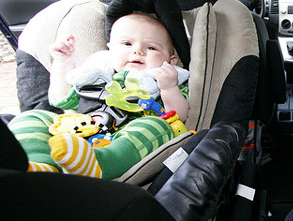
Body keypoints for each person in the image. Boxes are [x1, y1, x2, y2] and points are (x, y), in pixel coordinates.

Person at [8, 12, 190, 179]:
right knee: (33, 117)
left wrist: (169, 87)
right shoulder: (96, 76)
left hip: (122, 141)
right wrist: (63, 62)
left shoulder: (166, 80)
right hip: (78, 129)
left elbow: (179, 115)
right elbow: (60, 98)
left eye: (151, 47)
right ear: (110, 50)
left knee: (158, 126)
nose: (138, 51)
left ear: (170, 61)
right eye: (127, 44)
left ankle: (99, 164)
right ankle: (38, 165)